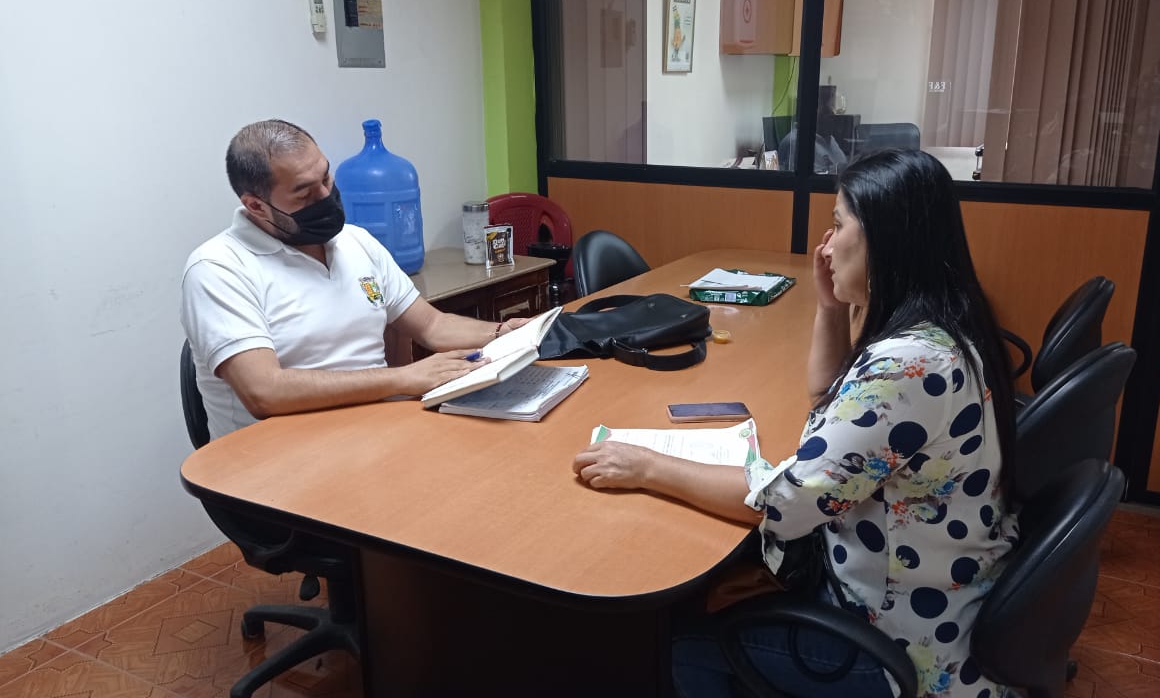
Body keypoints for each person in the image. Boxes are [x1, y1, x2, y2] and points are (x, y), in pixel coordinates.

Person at [572, 149, 1018, 698]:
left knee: (680, 641)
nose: (825, 246)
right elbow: (824, 400)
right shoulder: (938, 330)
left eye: (838, 224)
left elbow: (785, 502)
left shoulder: (909, 368)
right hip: (932, 591)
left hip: (902, 648)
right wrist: (829, 308)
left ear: (885, 240)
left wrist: (645, 466)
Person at [181, 119, 526, 440]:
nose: (325, 197)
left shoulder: (355, 241)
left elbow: (432, 325)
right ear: (256, 206)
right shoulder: (217, 268)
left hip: (377, 435)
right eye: (304, 193)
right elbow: (264, 391)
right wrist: (403, 377)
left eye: (326, 179)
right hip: (275, 461)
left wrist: (503, 333)